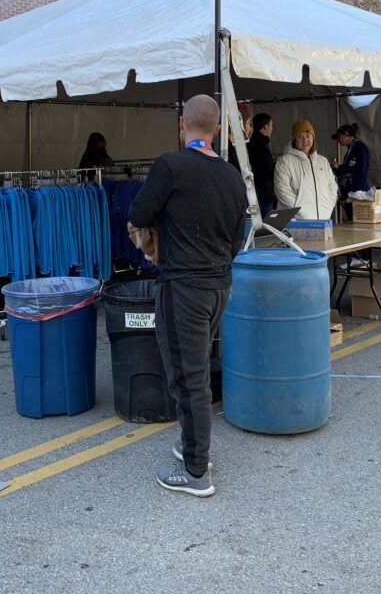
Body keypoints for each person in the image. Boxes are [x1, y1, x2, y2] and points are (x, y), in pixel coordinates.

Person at [128, 95, 246, 498]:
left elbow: (139, 213)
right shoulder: (231, 175)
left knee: (187, 376)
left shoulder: (170, 167)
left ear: (182, 124)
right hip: (218, 286)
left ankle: (197, 472)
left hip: (184, 288)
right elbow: (238, 237)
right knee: (193, 370)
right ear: (216, 129)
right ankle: (191, 445)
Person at [274, 120, 338, 220]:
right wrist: (300, 211)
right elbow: (282, 190)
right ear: (294, 139)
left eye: (308, 136)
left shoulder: (323, 161)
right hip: (296, 221)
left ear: (313, 137)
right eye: (300, 137)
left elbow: (332, 186)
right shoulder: (285, 161)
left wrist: (329, 205)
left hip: (323, 219)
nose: (305, 140)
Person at [247, 113, 276, 217]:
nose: (272, 129)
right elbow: (265, 172)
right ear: (266, 126)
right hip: (263, 196)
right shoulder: (259, 146)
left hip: (260, 194)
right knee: (265, 230)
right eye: (271, 125)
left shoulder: (255, 144)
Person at [331, 123, 371, 195]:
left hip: (358, 193)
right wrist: (336, 168)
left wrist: (340, 167)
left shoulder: (360, 147)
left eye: (339, 136)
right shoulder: (351, 149)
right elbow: (346, 171)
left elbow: (360, 169)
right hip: (350, 191)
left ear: (346, 134)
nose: (338, 140)